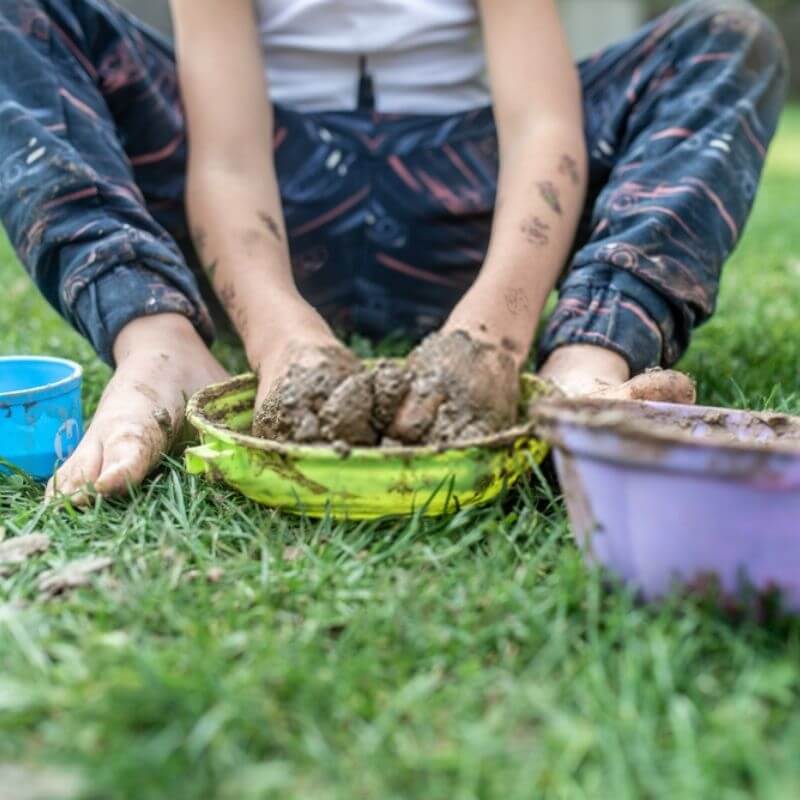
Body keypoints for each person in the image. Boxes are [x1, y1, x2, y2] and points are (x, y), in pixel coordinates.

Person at [0, 0, 786, 499]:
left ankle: (584, 364)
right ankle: (161, 345)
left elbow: (544, 127)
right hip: (272, 196)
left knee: (726, 39)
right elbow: (229, 158)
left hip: (465, 201)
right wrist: (282, 338)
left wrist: (495, 337)